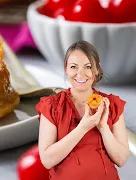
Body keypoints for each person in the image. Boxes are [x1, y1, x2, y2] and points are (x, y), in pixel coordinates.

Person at [35, 40, 130, 180]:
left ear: (97, 70)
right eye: (73, 67)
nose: (80, 73)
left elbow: (121, 159)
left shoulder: (113, 104)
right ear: (66, 69)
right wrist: (83, 128)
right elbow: (47, 160)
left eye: (88, 67)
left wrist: (103, 127)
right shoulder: (51, 106)